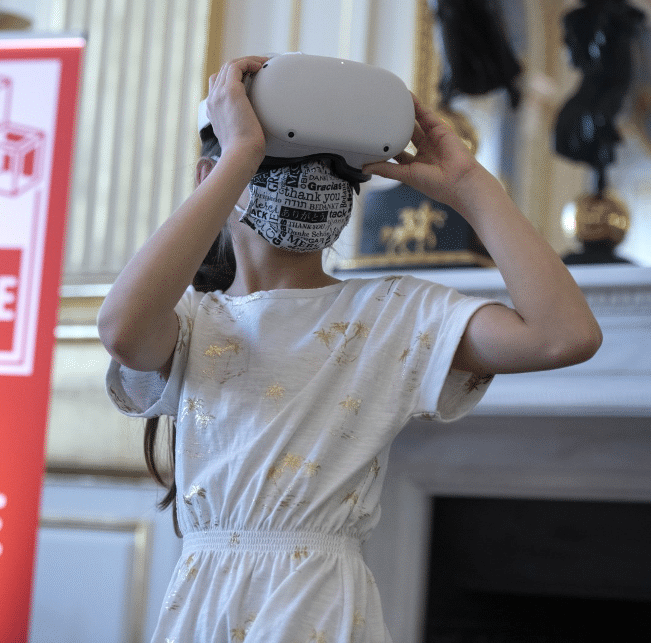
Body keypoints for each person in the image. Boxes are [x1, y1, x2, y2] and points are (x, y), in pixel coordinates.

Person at [97, 55, 602, 643]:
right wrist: (238, 158)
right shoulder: (191, 320)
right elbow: (122, 330)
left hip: (321, 609)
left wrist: (471, 187)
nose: (317, 180)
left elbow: (563, 335)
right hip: (205, 607)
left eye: (338, 167)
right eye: (281, 157)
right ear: (217, 174)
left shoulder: (395, 312)